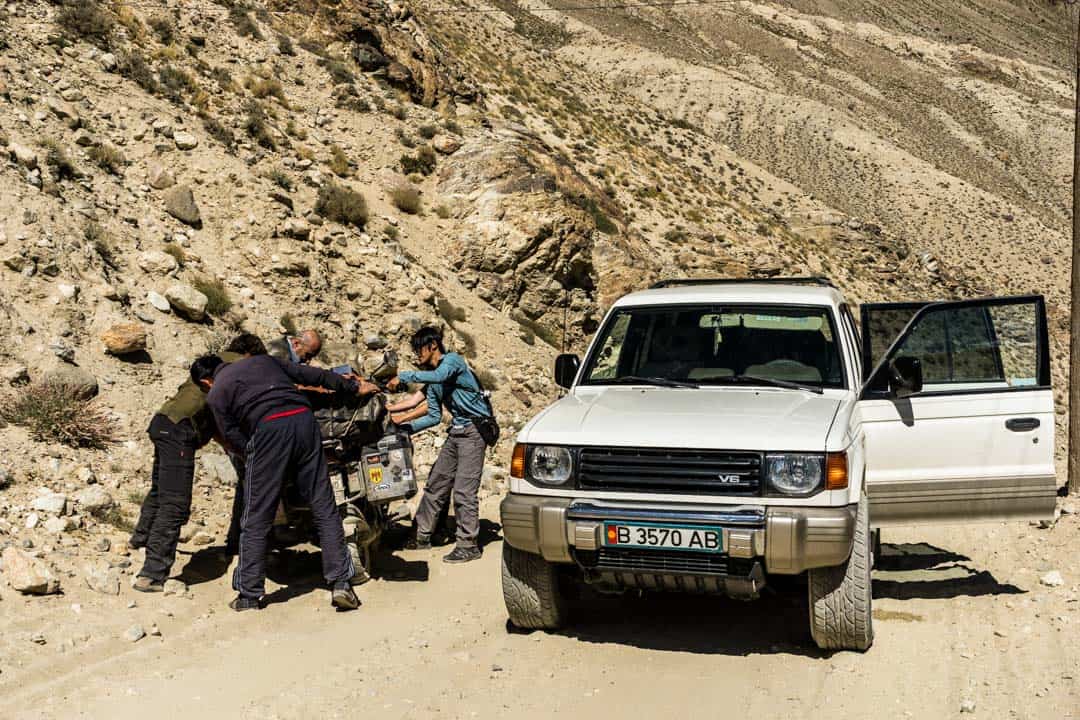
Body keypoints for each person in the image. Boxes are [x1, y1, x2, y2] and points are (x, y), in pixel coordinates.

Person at [194, 353, 379, 611]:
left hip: (268, 428)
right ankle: (341, 583)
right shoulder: (263, 361)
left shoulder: (216, 393)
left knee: (257, 515)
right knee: (324, 506)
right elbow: (311, 375)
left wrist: (255, 452)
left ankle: (248, 594)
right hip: (304, 421)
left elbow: (231, 435)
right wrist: (352, 386)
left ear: (206, 382)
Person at [129, 333, 267, 593]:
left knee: (161, 492)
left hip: (163, 423)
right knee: (175, 505)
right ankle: (152, 575)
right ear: (251, 354)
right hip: (181, 431)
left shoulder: (216, 363)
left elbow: (213, 417)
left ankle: (139, 540)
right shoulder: (237, 368)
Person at [387, 326, 494, 564]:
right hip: (456, 433)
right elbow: (433, 415)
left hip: (474, 432)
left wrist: (405, 376)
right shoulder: (436, 380)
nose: (417, 355)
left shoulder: (452, 362)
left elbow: (437, 377)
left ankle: (468, 545)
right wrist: (404, 428)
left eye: (419, 349)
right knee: (436, 483)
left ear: (433, 345)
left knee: (464, 491)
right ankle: (422, 535)